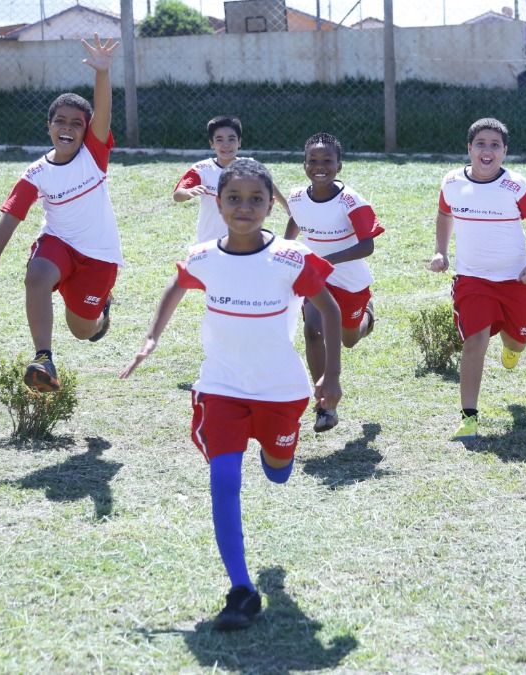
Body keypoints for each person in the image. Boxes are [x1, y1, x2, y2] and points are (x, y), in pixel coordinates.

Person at [120, 158, 342, 631]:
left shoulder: (289, 257)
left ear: (269, 205)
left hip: (281, 391)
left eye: (256, 199)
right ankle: (241, 589)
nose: (245, 207)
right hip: (220, 386)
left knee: (278, 473)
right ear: (217, 203)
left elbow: (330, 308)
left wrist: (333, 379)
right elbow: (176, 286)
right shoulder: (203, 256)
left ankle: (276, 457)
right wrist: (151, 338)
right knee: (224, 478)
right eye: (234, 199)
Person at [0, 35, 121, 392]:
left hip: (98, 257)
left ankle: (102, 313)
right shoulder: (36, 173)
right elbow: (11, 215)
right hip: (58, 244)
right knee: (36, 274)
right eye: (60, 121)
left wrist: (102, 73)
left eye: (76, 124)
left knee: (83, 331)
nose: (67, 128)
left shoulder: (94, 156)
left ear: (87, 132)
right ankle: (44, 358)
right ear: (49, 126)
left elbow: (103, 112)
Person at [428, 118, 526, 440]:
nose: (487, 151)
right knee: (475, 341)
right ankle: (468, 417)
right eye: (481, 144)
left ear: (505, 152)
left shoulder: (516, 186)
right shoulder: (452, 182)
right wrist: (441, 251)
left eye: (495, 145)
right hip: (472, 279)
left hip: (516, 280)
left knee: (518, 341)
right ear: (469, 148)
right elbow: (444, 215)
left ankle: (512, 347)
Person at [284, 132, 383, 433]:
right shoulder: (297, 197)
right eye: (313, 160)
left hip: (350, 281)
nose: (319, 166)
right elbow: (295, 224)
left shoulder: (352, 201)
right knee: (313, 331)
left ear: (339, 165)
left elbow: (367, 245)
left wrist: (328, 262)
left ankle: (367, 316)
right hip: (316, 280)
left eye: (327, 160)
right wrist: (282, 253)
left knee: (348, 340)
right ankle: (325, 407)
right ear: (304, 165)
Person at [173, 116, 288, 243]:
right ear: (212, 144)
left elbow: (269, 184)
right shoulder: (202, 169)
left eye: (231, 139)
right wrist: (187, 193)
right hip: (210, 241)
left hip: (245, 241)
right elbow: (177, 195)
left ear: (239, 142)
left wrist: (287, 207)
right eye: (219, 139)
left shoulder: (249, 165)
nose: (226, 144)